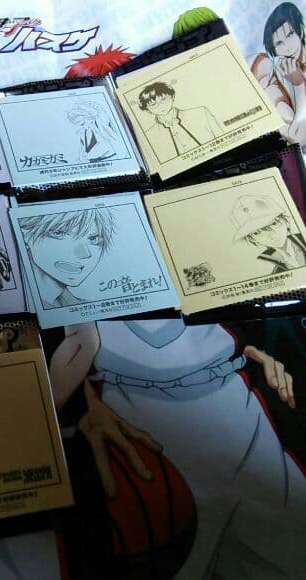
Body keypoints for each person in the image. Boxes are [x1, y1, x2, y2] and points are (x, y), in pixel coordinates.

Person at [49, 319, 306, 577]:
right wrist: (81, 404)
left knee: (290, 547)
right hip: (137, 408)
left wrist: (255, 343)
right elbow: (72, 345)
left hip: (231, 394)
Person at [17, 207, 115, 308]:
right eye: (59, 233)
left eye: (93, 239)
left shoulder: (82, 306)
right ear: (24, 234)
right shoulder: (17, 299)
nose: (84, 253)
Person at [251, 2, 305, 147]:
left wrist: (299, 83)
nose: (288, 47)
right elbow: (298, 138)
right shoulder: (277, 75)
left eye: (290, 34)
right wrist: (298, 83)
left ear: (300, 30)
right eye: (279, 43)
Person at [138, 81, 222, 160]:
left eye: (163, 99)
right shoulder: (150, 135)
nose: (160, 105)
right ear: (147, 110)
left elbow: (221, 138)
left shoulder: (200, 112)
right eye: (153, 104)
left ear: (172, 97)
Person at [232, 194, 306, 273]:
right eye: (256, 233)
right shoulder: (263, 264)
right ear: (252, 239)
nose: (270, 235)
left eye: (274, 224)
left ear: (285, 221)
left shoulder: (302, 238)